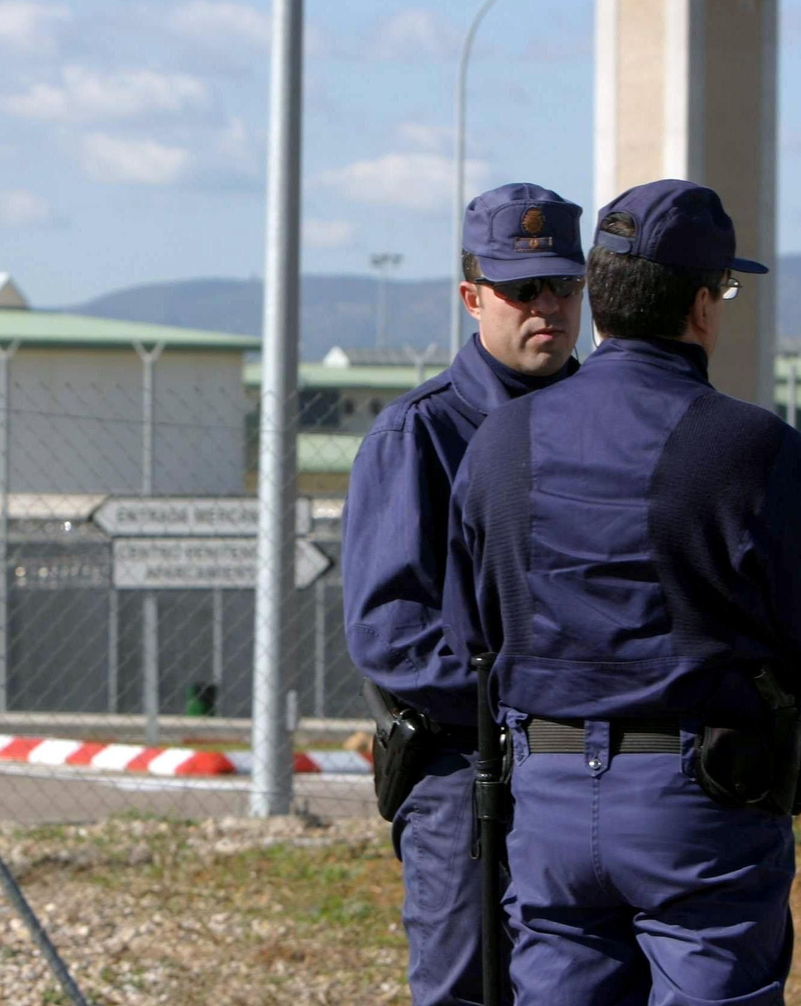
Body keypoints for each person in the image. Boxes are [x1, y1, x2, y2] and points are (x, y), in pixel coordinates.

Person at [441, 179, 801, 1006]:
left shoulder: (501, 442)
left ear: (597, 301)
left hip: (546, 797)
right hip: (699, 805)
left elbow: (475, 634)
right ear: (704, 308)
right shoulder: (757, 451)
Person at [343, 181, 587, 1006]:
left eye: (563, 286)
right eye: (522, 290)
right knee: (463, 990)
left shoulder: (610, 424)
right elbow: (391, 632)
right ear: (472, 296)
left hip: (590, 768)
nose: (546, 308)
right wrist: (528, 693)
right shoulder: (422, 434)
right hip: (465, 768)